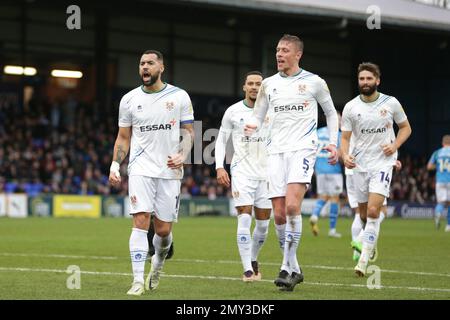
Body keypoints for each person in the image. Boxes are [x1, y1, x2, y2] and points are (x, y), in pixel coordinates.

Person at [245, 34, 339, 291]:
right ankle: (294, 269)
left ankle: (286, 267)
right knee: (278, 213)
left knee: (292, 206)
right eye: (277, 50)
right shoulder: (268, 84)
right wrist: (250, 126)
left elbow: (330, 113)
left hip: (303, 150)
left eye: (285, 50)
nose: (279, 54)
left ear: (298, 54)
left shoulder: (314, 82)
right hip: (275, 151)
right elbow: (258, 114)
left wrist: (333, 142)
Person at [109, 50, 194, 296]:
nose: (145, 67)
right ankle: (136, 281)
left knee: (163, 231)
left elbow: (189, 132)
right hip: (140, 169)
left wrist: (183, 154)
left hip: (169, 170)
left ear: (161, 67)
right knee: (140, 221)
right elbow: (123, 137)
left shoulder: (179, 96)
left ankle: (157, 265)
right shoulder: (128, 99)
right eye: (141, 64)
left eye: (150, 63)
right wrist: (115, 164)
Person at [341, 62, 411, 277]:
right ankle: (368, 244)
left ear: (377, 81)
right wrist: (345, 156)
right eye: (362, 79)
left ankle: (363, 261)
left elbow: (406, 128)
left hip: (382, 164)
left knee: (373, 211)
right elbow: (345, 138)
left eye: (369, 79)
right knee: (362, 215)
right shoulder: (351, 107)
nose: (365, 82)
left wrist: (394, 146)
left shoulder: (391, 103)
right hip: (360, 166)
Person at [215, 71, 272, 282]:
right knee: (244, 216)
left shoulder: (272, 110)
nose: (255, 87)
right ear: (244, 87)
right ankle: (247, 269)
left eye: (259, 84)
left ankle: (254, 258)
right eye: (251, 83)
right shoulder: (233, 111)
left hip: (267, 173)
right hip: (242, 172)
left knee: (264, 225)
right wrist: (220, 167)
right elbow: (221, 141)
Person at [310, 114, 343, 238]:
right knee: (335, 198)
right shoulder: (338, 135)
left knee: (323, 196)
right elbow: (340, 153)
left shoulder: (317, 132)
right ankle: (332, 230)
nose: (340, 122)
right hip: (333, 170)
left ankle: (314, 215)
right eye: (339, 120)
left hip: (320, 170)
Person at [427, 135, 450, 232]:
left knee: (440, 203)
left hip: (440, 181)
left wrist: (438, 167)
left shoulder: (437, 152)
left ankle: (438, 214)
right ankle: (448, 226)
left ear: (442, 143)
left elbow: (429, 167)